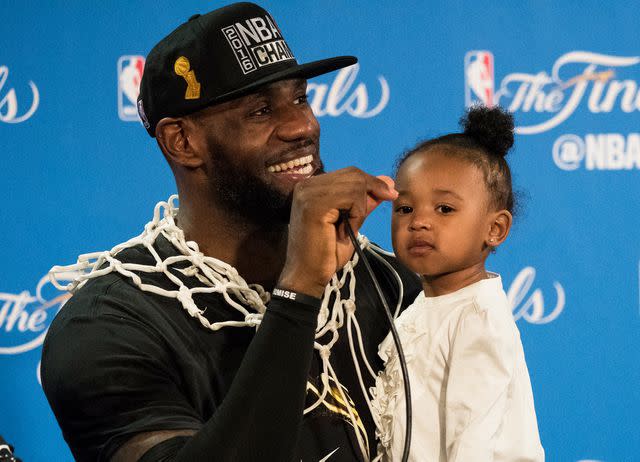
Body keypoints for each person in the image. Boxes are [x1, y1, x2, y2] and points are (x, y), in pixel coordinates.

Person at [41, 3, 421, 462]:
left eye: (300, 97)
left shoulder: (390, 283)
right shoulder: (108, 327)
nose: (303, 126)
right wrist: (299, 288)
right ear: (182, 141)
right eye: (261, 110)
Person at [369, 106, 545, 461]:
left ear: (494, 229)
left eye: (444, 209)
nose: (419, 222)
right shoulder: (420, 305)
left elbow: (472, 440)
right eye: (404, 208)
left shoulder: (478, 317)